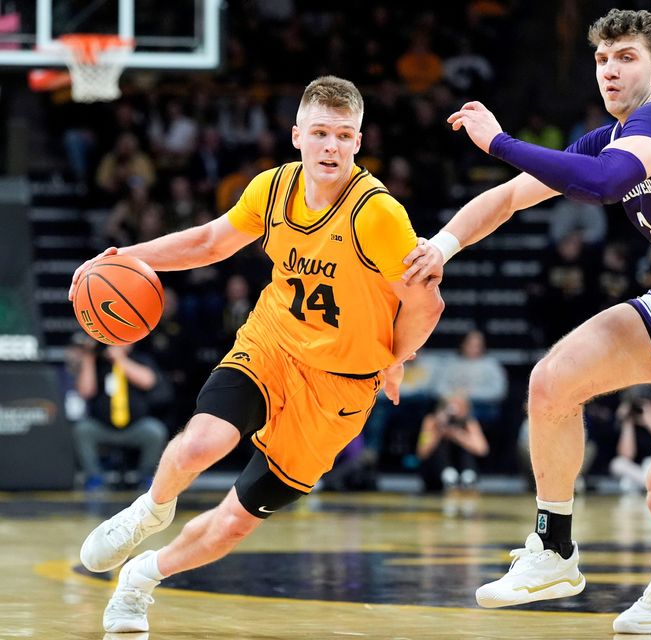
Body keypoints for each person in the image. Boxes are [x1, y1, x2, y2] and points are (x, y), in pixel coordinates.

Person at [402, 8, 651, 634]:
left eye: (626, 58)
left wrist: (499, 142)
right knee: (551, 381)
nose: (609, 70)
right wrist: (442, 246)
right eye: (602, 59)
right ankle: (553, 549)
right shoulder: (614, 135)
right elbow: (510, 196)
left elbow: (609, 183)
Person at [68, 75, 444, 634]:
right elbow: (209, 242)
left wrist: (396, 357)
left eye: (344, 135)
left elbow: (426, 303)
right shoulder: (272, 189)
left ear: (359, 142)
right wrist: (121, 258)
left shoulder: (378, 216)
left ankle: (141, 578)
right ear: (297, 136)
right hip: (273, 343)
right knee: (204, 442)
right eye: (320, 133)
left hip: (341, 384)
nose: (331, 147)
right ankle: (149, 511)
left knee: (234, 523)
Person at [69, 336, 169, 490]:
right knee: (82, 430)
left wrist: (120, 359)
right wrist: (89, 357)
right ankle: (94, 477)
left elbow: (148, 381)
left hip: (135, 427)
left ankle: (147, 476)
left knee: (155, 431)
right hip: (103, 427)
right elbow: (85, 391)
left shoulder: (140, 359)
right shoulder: (98, 362)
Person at [417, 391, 489, 493]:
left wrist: (458, 435)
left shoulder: (469, 423)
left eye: (459, 405)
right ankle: (448, 475)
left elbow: (482, 449)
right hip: (436, 476)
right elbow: (421, 451)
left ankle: (468, 476)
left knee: (465, 448)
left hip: (462, 473)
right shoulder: (430, 421)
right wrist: (438, 430)